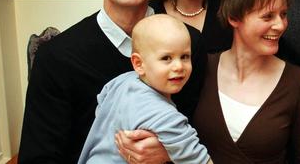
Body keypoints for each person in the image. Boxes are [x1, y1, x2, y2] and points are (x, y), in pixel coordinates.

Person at [18, 0, 197, 163]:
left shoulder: (189, 45)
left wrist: (172, 151)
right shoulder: (57, 58)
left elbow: (206, 133)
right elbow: (38, 157)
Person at [192, 0, 300, 163]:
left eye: (283, 14)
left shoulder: (297, 82)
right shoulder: (203, 67)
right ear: (234, 17)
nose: (280, 25)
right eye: (267, 16)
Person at [78, 14, 210, 164]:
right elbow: (199, 160)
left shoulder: (121, 82)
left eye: (185, 56)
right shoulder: (164, 116)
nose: (179, 66)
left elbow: (101, 105)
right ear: (138, 64)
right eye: (166, 58)